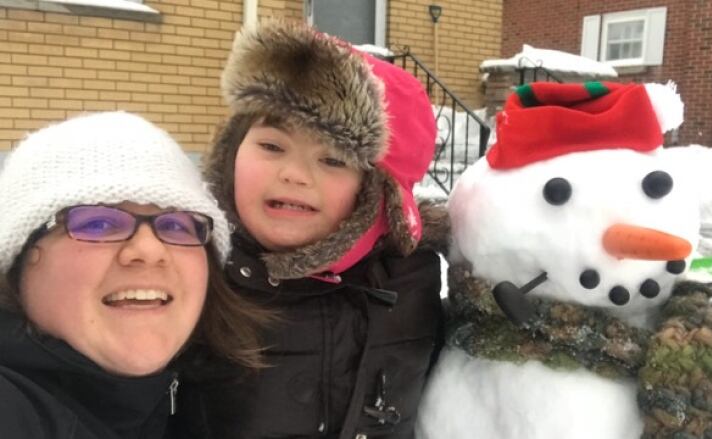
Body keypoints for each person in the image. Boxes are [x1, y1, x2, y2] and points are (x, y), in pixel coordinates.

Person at [174, 21, 447, 439]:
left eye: (334, 160)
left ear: (376, 194)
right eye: (271, 146)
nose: (294, 174)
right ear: (232, 150)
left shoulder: (411, 276)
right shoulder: (195, 275)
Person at [0, 111, 269, 439]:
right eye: (97, 223)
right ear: (19, 257)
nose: (149, 250)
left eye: (176, 225)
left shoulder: (188, 403)